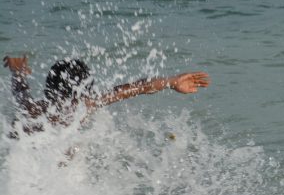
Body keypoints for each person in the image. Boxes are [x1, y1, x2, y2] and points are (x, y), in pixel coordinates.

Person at [5, 54, 210, 137]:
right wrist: (172, 81)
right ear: (87, 87)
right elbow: (137, 87)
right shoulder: (86, 104)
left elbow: (21, 91)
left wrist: (18, 72)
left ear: (49, 88)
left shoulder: (33, 109)